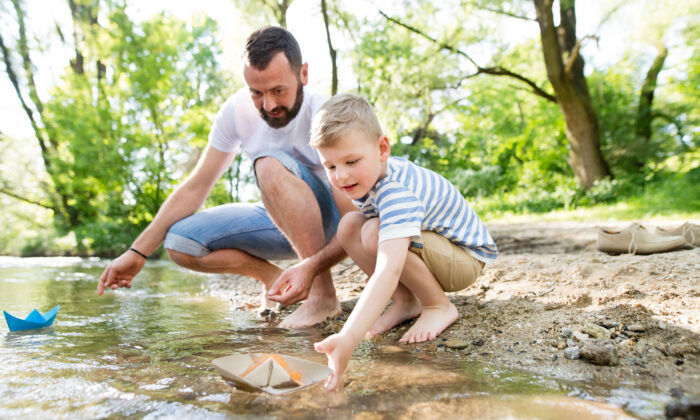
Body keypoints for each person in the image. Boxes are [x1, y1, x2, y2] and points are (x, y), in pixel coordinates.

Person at [96, 26, 354, 328]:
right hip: (279, 224)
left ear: (303, 75)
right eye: (257, 92)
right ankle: (275, 280)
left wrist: (313, 267)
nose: (268, 105)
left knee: (268, 164)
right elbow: (198, 185)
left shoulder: (324, 113)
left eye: (278, 91)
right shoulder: (236, 111)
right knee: (180, 242)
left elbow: (355, 211)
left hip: (335, 224)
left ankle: (322, 297)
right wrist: (138, 252)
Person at [309, 93, 498, 391]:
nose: (341, 175)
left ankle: (437, 305)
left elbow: (388, 267)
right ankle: (406, 301)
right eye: (330, 166)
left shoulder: (396, 190)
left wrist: (347, 339)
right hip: (437, 251)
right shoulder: (370, 179)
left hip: (465, 260)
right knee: (349, 226)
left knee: (373, 232)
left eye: (351, 161)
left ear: (382, 148)